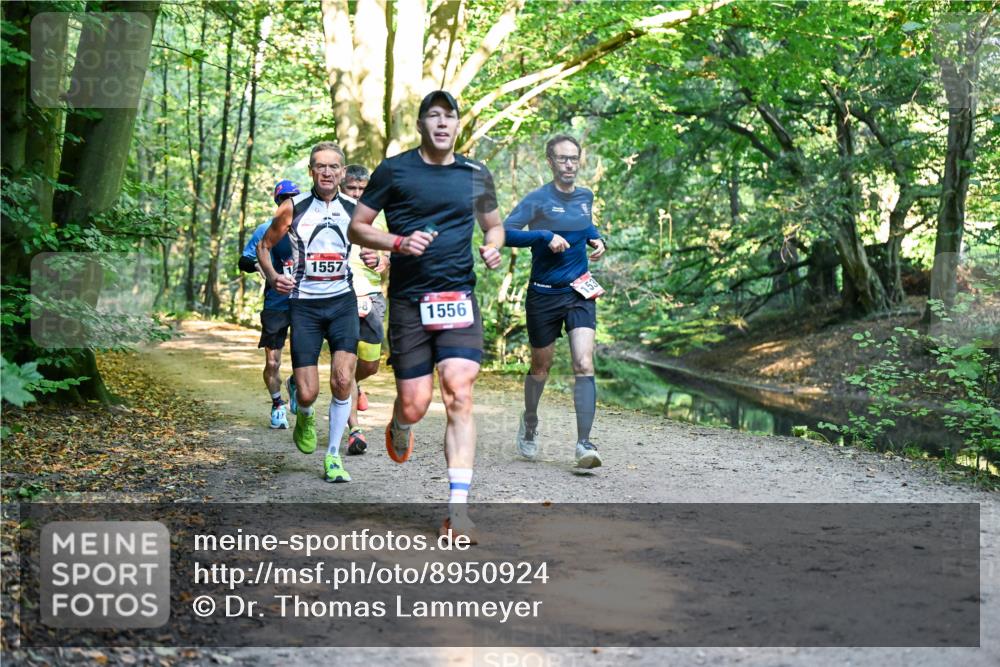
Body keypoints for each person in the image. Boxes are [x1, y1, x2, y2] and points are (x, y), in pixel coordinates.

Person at [349, 90, 503, 541]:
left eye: (449, 117)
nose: (441, 124)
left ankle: (458, 512)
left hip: (459, 297)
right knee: (416, 405)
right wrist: (397, 243)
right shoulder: (395, 170)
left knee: (459, 391)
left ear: (457, 125)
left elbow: (493, 224)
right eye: (432, 116)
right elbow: (358, 226)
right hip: (411, 302)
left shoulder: (476, 173)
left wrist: (492, 246)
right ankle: (399, 423)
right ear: (420, 124)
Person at [257, 142, 359, 484]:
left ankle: (332, 457)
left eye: (333, 167)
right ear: (312, 172)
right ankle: (304, 412)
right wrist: (273, 277)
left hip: (343, 301)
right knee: (308, 392)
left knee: (343, 380)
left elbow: (377, 250)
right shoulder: (292, 208)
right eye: (320, 167)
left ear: (343, 172)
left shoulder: (356, 209)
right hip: (305, 305)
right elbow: (264, 246)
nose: (327, 172)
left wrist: (380, 260)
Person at [503, 134, 607, 468]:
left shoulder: (585, 197)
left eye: (574, 159)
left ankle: (584, 444)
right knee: (540, 368)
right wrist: (544, 236)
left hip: (579, 292)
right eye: (562, 159)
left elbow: (583, 222)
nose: (569, 165)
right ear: (550, 161)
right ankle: (530, 420)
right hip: (543, 294)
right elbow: (504, 233)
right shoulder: (537, 200)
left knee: (583, 363)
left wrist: (595, 237)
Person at [238, 179, 300, 429]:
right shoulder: (266, 229)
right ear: (277, 202)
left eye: (293, 198)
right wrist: (260, 267)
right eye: (283, 198)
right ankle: (277, 405)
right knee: (273, 362)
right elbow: (244, 260)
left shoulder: (309, 228)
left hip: (305, 303)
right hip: (276, 303)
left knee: (305, 358)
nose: (288, 202)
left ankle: (297, 383)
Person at [340, 164, 389, 455]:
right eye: (352, 188)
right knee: (343, 367)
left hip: (371, 297)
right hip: (340, 296)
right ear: (342, 187)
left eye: (362, 190)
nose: (357, 194)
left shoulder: (376, 223)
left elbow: (386, 263)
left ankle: (354, 385)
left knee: (369, 365)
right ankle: (355, 432)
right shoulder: (332, 216)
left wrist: (380, 262)